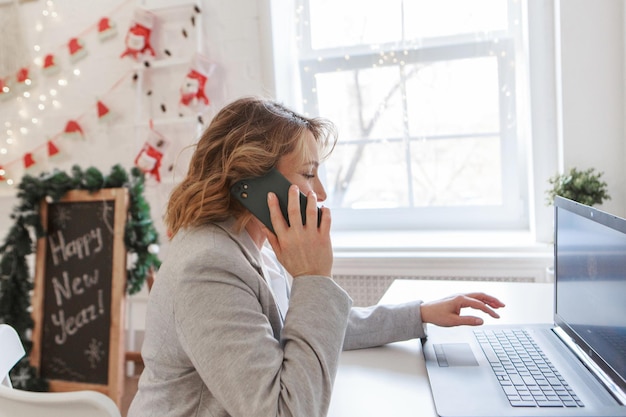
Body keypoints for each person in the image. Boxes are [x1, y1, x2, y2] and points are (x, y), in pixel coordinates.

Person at [127, 96, 505, 417]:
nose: (321, 192)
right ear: (254, 185)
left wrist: (419, 314)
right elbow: (285, 409)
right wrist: (313, 278)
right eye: (309, 174)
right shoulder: (207, 268)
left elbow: (309, 327)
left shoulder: (253, 244)